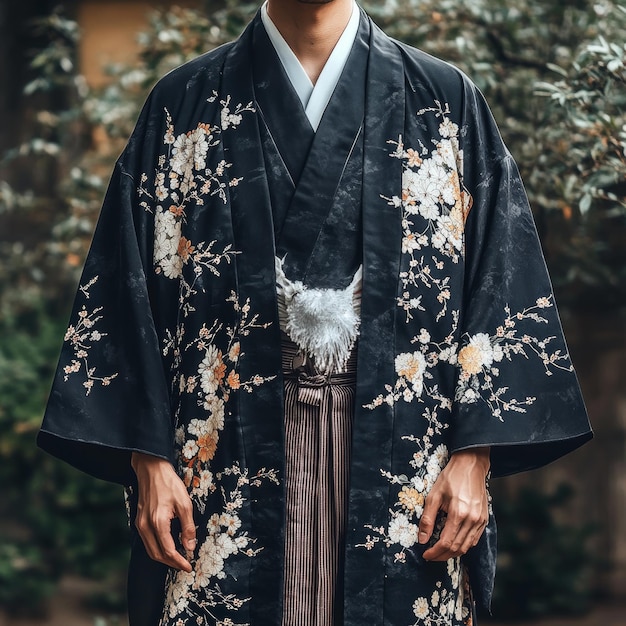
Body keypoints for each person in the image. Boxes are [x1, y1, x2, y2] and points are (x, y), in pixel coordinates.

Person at [38, 1, 592, 625]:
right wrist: (149, 458)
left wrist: (474, 457)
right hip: (226, 467)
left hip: (400, 464)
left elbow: (501, 285)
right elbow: (125, 297)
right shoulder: (184, 105)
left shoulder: (443, 102)